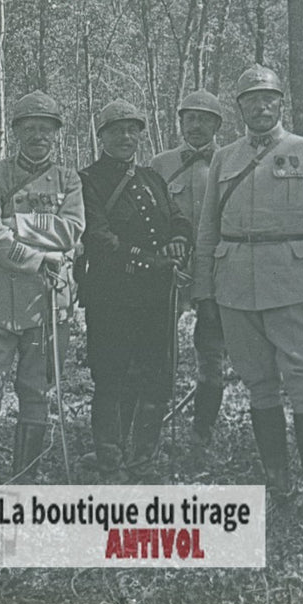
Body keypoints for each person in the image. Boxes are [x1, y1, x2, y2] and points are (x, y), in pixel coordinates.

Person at [192, 65, 303, 517]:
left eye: (268, 99)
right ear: (239, 108)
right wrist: (205, 290)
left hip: (293, 284)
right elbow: (207, 230)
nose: (260, 107)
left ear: (281, 104)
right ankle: (279, 486)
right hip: (235, 285)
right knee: (259, 385)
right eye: (251, 100)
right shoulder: (225, 158)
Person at [0, 92, 84, 484]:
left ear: (57, 134)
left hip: (47, 303)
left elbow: (71, 230)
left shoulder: (68, 178)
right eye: (30, 128)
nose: (38, 136)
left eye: (46, 128)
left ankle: (23, 481)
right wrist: (36, 255)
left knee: (36, 390)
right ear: (16, 133)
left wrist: (15, 224)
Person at [80, 100, 191, 479]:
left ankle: (143, 456)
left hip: (155, 298)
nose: (126, 137)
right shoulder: (88, 180)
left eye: (132, 130)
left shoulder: (152, 178)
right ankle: (109, 456)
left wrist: (179, 240)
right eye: (117, 130)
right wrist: (152, 261)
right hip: (111, 296)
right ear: (102, 137)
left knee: (155, 376)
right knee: (111, 376)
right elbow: (99, 238)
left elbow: (177, 218)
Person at [148, 88, 225, 452]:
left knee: (211, 350)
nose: (196, 125)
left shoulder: (231, 161)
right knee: (160, 347)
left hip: (215, 270)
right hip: (170, 269)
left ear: (217, 125)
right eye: (190, 118)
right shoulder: (159, 164)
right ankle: (149, 427)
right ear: (180, 123)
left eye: (205, 119)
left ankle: (202, 429)